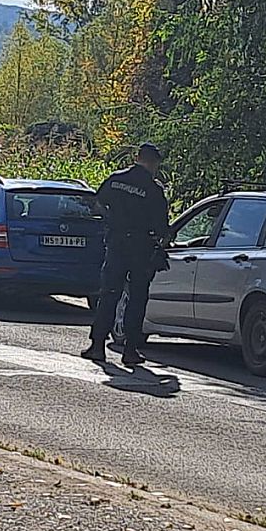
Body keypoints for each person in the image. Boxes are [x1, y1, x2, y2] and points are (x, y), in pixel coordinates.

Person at [81, 143, 169, 365]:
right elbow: (161, 226)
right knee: (137, 298)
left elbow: (97, 205)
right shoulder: (153, 189)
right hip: (141, 248)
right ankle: (130, 350)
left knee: (109, 294)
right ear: (154, 163)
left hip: (116, 244)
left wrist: (113, 221)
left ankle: (97, 345)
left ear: (137, 157)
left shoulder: (116, 179)